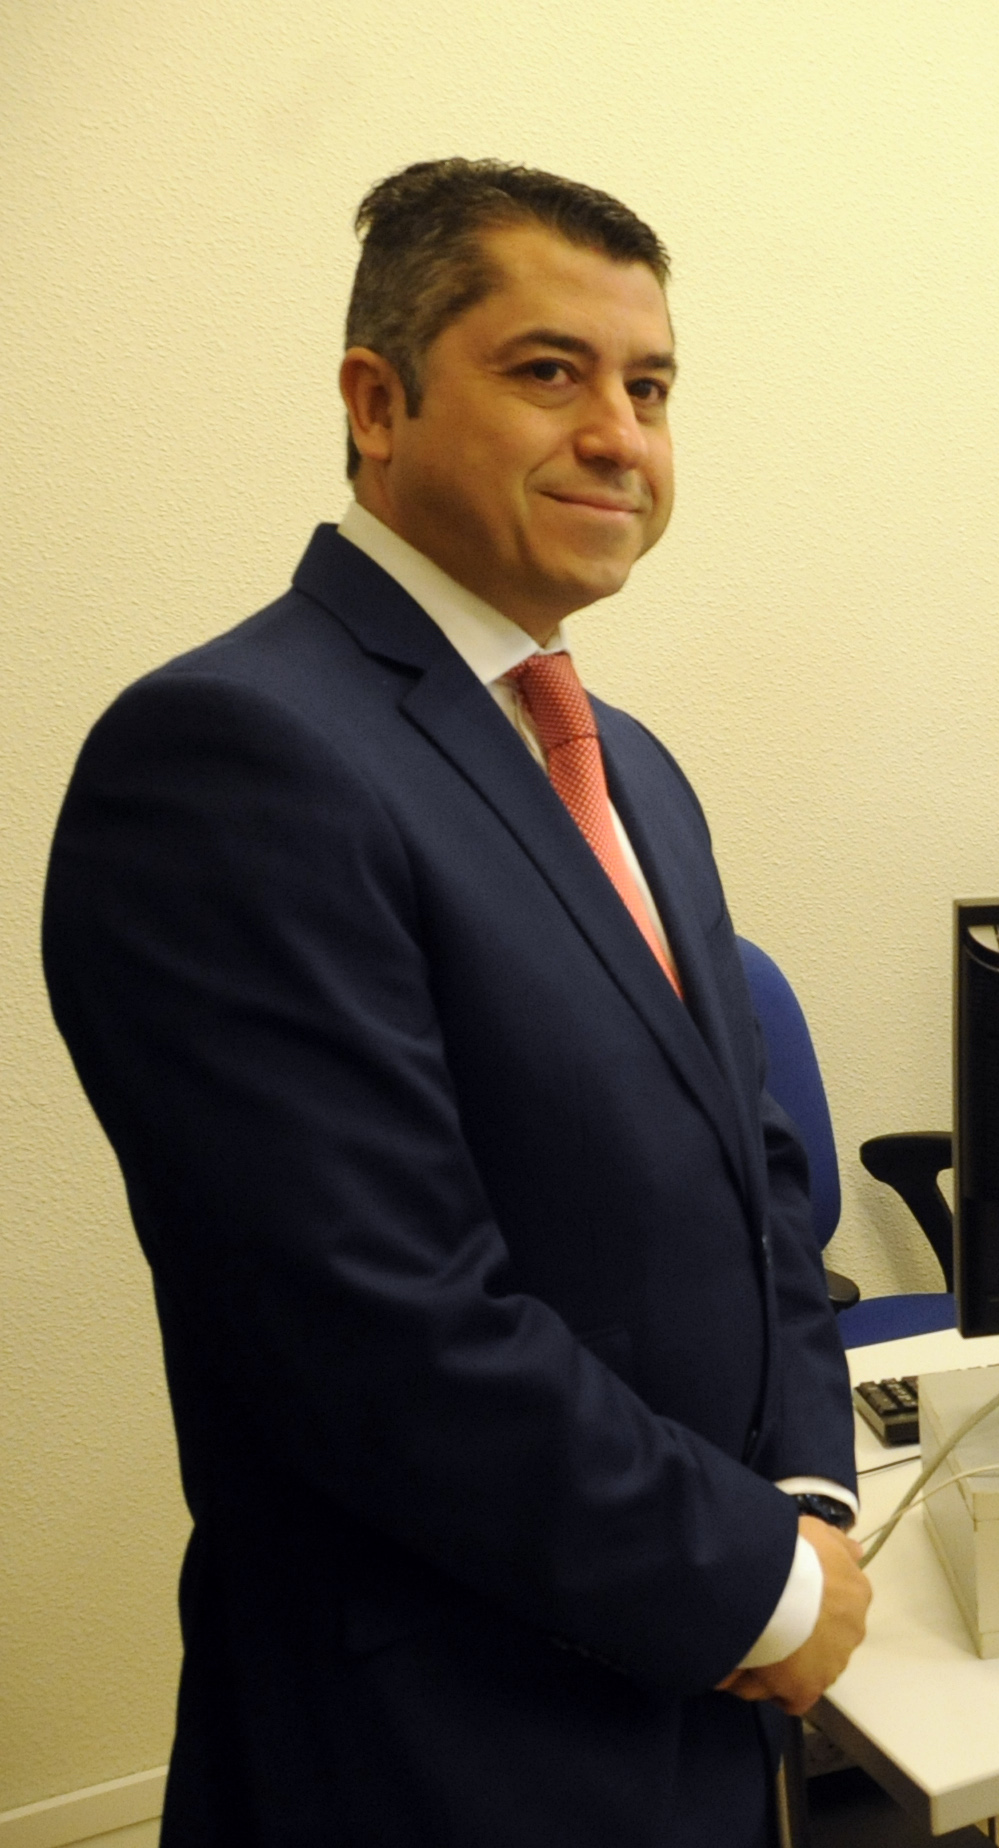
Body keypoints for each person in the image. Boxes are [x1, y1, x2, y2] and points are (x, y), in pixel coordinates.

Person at [41, 160, 867, 1846]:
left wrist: (803, 1493)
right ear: (377, 401)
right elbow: (375, 1326)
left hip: (690, 1676)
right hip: (450, 1734)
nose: (619, 436)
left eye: (651, 387)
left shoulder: (630, 765)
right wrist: (757, 1582)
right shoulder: (231, 754)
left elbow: (761, 1180)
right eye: (550, 372)